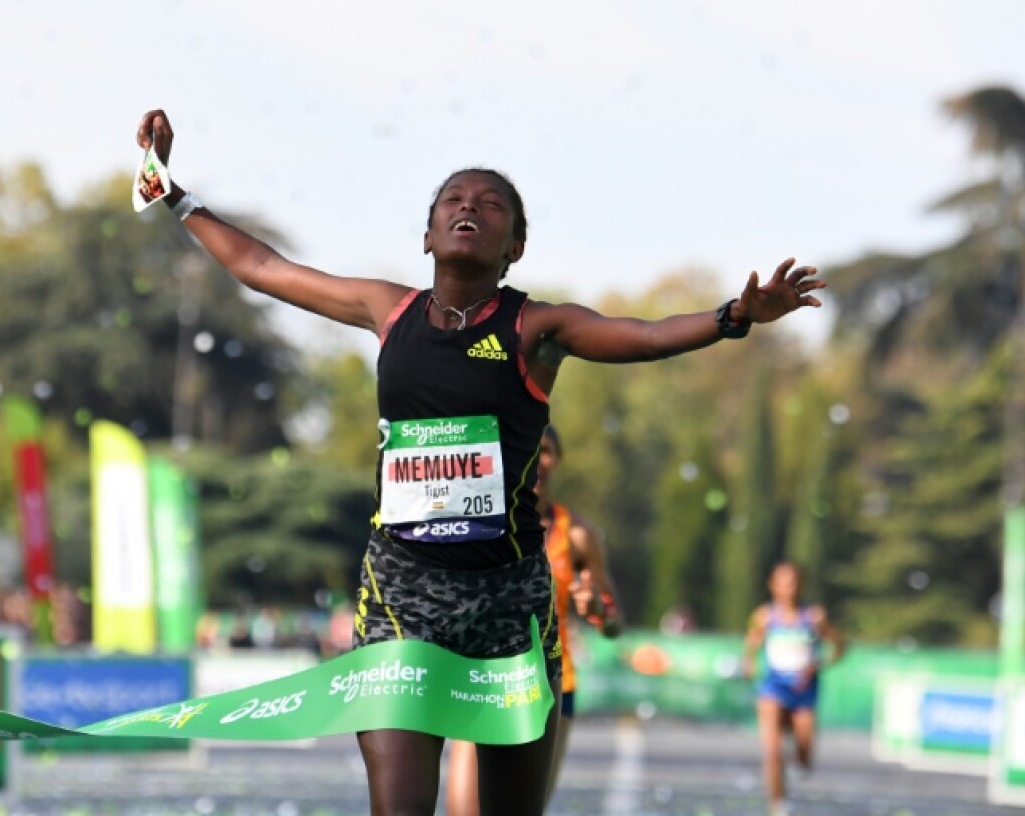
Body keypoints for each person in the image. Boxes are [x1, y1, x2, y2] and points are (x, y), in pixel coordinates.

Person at [135, 108, 825, 816]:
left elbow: (644, 336)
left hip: (511, 605)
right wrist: (173, 192)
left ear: (514, 246)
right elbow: (261, 267)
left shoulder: (535, 328)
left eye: (490, 204)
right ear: (429, 234)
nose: (470, 208)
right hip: (402, 595)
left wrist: (731, 318)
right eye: (454, 201)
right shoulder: (387, 309)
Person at [445, 425, 623, 815]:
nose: (538, 459)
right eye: (530, 446)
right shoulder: (484, 521)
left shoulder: (578, 535)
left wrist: (597, 608)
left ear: (557, 459)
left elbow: (614, 624)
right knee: (462, 810)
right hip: (482, 679)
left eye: (546, 450)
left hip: (549, 687)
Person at [741, 561, 846, 816]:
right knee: (773, 751)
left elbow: (839, 646)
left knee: (804, 754)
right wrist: (749, 665)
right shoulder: (764, 617)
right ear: (773, 585)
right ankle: (778, 806)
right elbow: (750, 649)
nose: (789, 589)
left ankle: (801, 762)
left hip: (804, 691)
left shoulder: (814, 616)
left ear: (801, 585)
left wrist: (819, 664)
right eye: (783, 583)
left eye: (794, 583)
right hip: (773, 687)